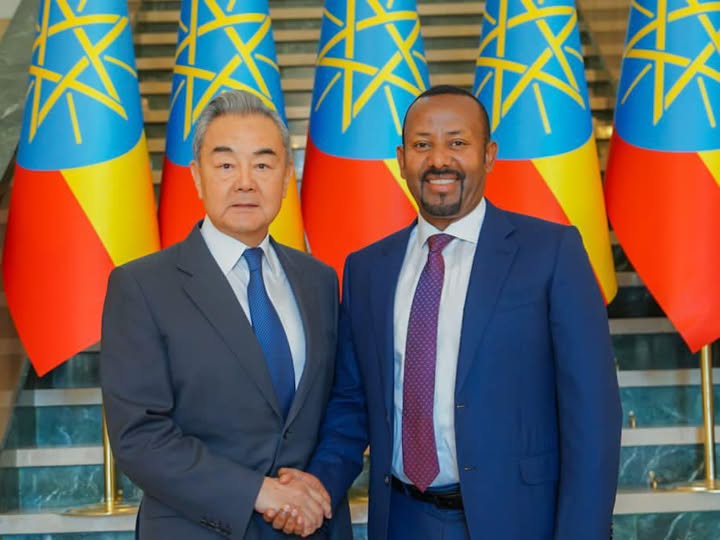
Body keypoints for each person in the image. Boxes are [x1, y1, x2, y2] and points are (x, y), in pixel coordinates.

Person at [267, 85, 622, 539]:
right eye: (422, 145)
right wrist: (318, 484)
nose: (439, 160)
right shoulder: (367, 270)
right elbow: (353, 402)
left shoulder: (551, 253)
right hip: (402, 520)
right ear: (401, 159)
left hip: (519, 520)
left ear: (488, 155)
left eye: (457, 142)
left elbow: (592, 415)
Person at [100, 90, 351, 539]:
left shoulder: (319, 280)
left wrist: (316, 486)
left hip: (312, 527)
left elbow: (341, 403)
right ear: (197, 176)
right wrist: (258, 492)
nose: (245, 182)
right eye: (226, 165)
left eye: (263, 165)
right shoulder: (142, 286)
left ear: (287, 176)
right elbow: (139, 436)